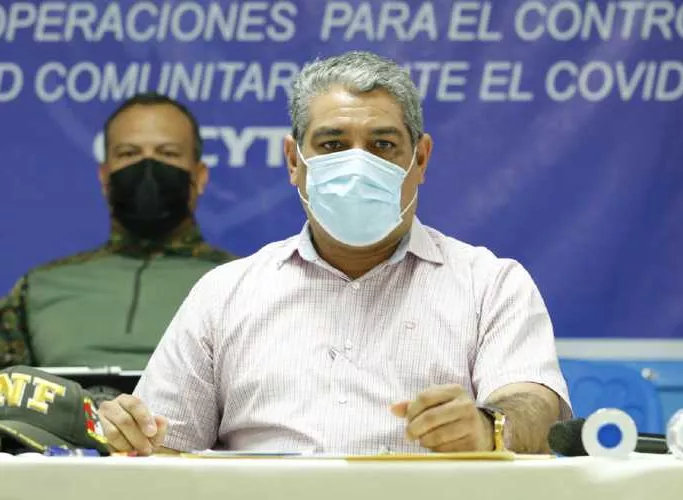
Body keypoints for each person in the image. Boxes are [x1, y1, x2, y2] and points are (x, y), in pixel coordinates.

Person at [98, 51, 571, 456]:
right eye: (333, 144)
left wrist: (489, 429)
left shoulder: (489, 284)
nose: (357, 163)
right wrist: (132, 434)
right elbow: (162, 451)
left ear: (420, 159)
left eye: (382, 144)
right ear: (294, 161)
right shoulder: (224, 295)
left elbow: (537, 411)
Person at [0, 93, 235, 371]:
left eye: (168, 153)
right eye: (129, 154)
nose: (148, 167)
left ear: (200, 176)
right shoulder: (37, 289)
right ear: (104, 177)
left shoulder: (245, 285)